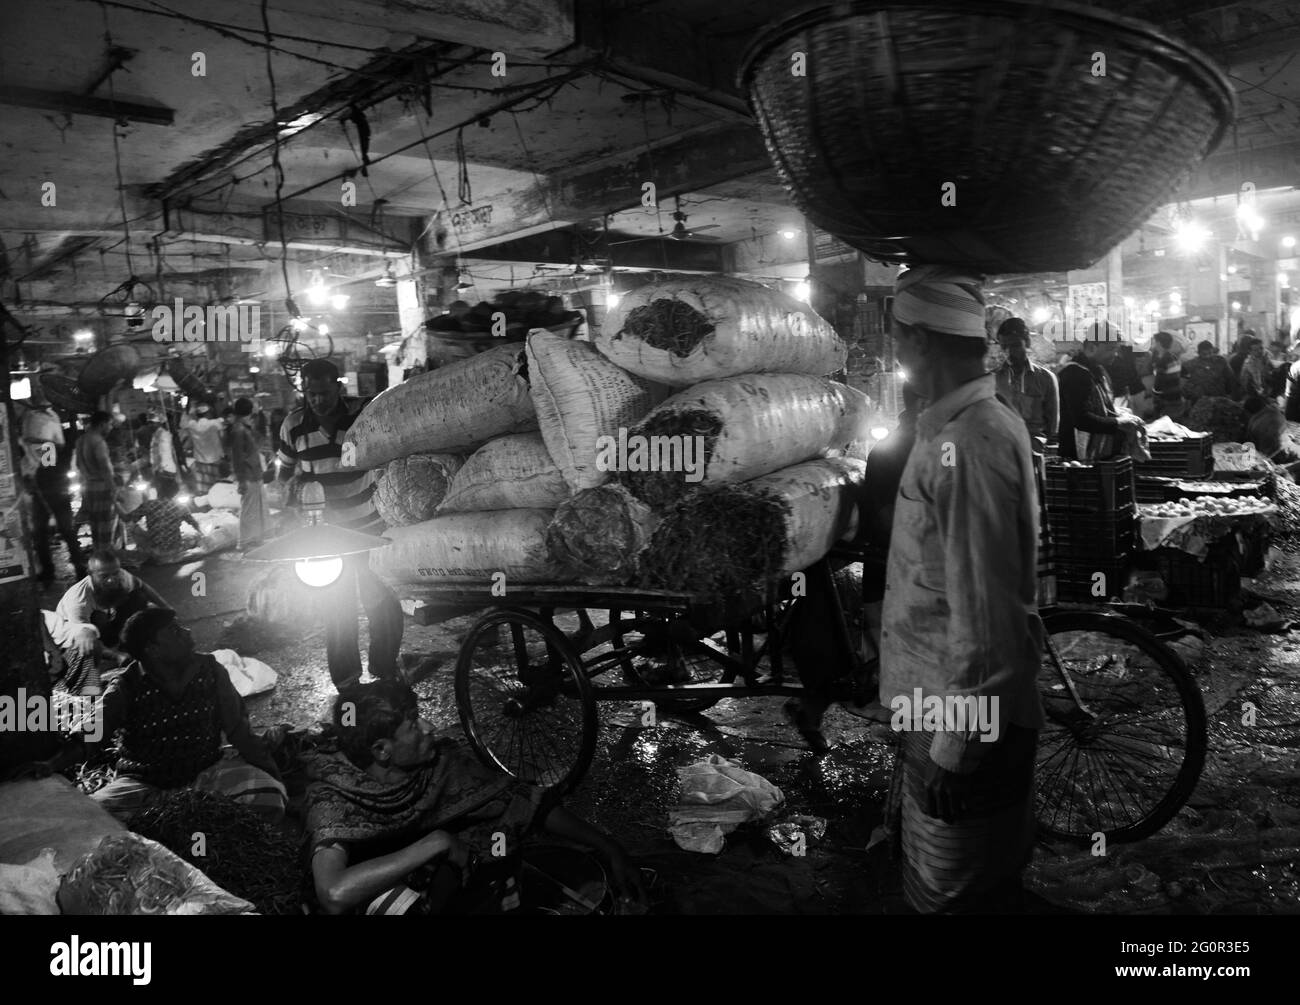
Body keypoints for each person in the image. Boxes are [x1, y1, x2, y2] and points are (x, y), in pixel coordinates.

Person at [882, 264, 1045, 914]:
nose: (894, 350)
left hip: (963, 721)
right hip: (944, 710)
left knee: (953, 897)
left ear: (920, 340)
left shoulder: (968, 445)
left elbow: (985, 613)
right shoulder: (971, 425)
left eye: (897, 335)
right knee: (961, 882)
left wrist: (956, 749)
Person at [304, 680, 644, 915]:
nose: (429, 728)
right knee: (394, 904)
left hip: (430, 880)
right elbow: (334, 894)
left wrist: (607, 845)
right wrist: (434, 843)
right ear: (382, 750)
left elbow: (523, 801)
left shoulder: (439, 764)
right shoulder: (334, 795)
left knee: (496, 849)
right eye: (413, 724)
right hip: (383, 890)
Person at [34, 608, 286, 824]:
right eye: (175, 632)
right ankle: (187, 823)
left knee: (270, 798)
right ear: (152, 649)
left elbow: (239, 730)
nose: (187, 634)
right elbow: (92, 734)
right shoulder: (126, 686)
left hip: (206, 772)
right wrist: (51, 765)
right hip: (144, 784)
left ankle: (181, 824)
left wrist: (273, 773)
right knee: (90, 820)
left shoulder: (211, 671)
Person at [278, 359, 403, 690]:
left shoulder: (362, 413)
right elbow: (285, 471)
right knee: (338, 608)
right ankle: (347, 680)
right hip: (328, 537)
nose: (317, 399)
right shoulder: (293, 426)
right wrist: (290, 497)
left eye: (323, 392)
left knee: (383, 600)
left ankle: (385, 668)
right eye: (310, 393)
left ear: (338, 386)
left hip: (370, 527)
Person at [47, 548, 170, 696]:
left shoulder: (121, 576)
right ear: (91, 575)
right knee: (97, 624)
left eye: (115, 573)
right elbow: (85, 638)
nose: (112, 579)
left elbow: (143, 587)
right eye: (104, 576)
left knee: (138, 598)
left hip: (106, 626)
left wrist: (168, 610)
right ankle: (97, 672)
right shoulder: (78, 599)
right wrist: (116, 656)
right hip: (74, 643)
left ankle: (129, 645)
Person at [21, 392, 87, 586]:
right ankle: (50, 570)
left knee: (63, 528)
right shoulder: (33, 416)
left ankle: (78, 567)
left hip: (49, 481)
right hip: (43, 480)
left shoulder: (49, 419)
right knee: (40, 530)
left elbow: (48, 454)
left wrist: (37, 473)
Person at [1056, 321, 1145, 460]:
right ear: (1091, 347)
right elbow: (1082, 419)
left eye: (1116, 349)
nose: (1115, 354)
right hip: (1078, 460)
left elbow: (1101, 408)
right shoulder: (1075, 373)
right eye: (1110, 349)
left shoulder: (1098, 371)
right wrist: (1118, 423)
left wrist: (1122, 415)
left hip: (1097, 456)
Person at [993, 317, 1059, 441]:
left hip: (1034, 453)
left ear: (1027, 342)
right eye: (1004, 347)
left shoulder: (1046, 379)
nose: (1009, 352)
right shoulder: (993, 379)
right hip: (1001, 450)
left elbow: (1052, 427)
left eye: (1015, 345)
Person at [117, 478, 202, 562]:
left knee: (133, 527)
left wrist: (114, 503)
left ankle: (144, 551)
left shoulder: (149, 504)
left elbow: (126, 518)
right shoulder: (181, 507)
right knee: (191, 536)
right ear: (175, 493)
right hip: (175, 551)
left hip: (154, 553)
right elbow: (195, 524)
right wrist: (202, 534)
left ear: (158, 490)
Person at [74, 411, 118, 549]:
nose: (111, 428)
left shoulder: (81, 440)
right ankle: (107, 562)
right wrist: (113, 488)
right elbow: (104, 466)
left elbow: (77, 464)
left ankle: (99, 559)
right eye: (110, 424)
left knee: (96, 528)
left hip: (88, 488)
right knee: (105, 528)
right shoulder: (98, 441)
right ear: (102, 424)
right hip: (102, 488)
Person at [227, 397, 267, 551]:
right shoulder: (239, 430)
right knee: (249, 509)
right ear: (250, 410)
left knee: (255, 508)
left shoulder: (245, 427)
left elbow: (257, 443)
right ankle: (244, 542)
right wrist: (241, 479)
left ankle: (254, 539)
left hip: (254, 473)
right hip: (248, 475)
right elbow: (237, 457)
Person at [181, 403, 226, 495]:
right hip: (215, 459)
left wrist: (190, 411)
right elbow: (223, 421)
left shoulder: (192, 425)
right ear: (208, 414)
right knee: (217, 486)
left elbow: (182, 423)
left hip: (200, 460)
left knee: (204, 487)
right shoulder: (214, 423)